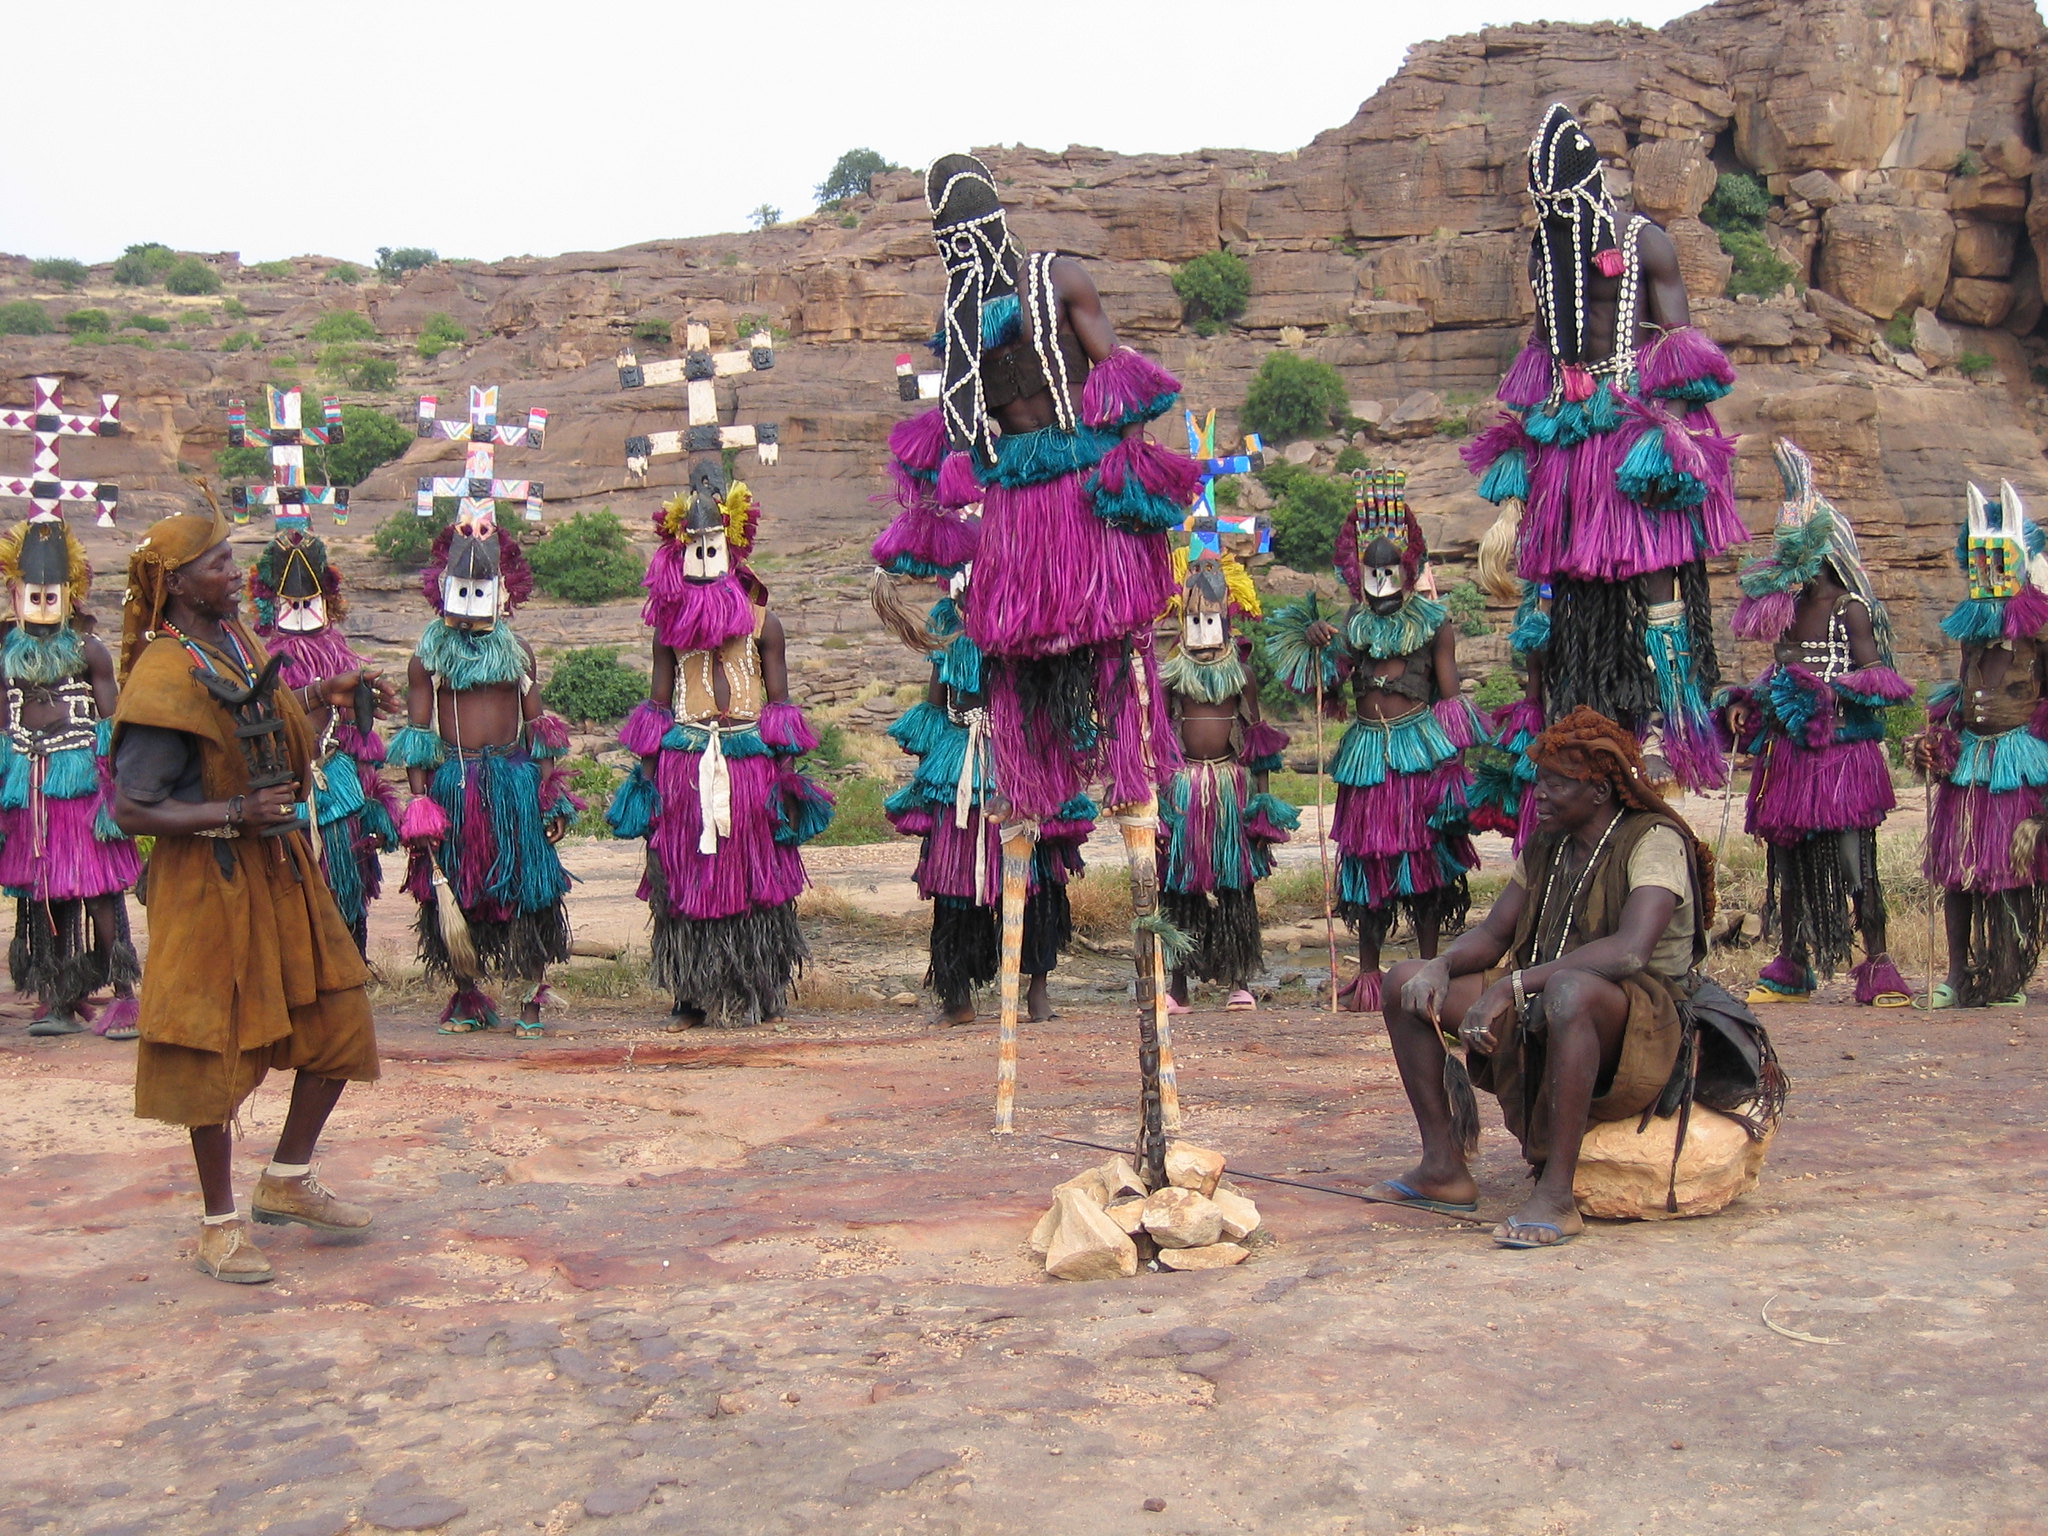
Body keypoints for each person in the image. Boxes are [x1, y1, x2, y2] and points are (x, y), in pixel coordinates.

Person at [111, 502, 386, 1284]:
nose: (238, 574)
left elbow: (257, 728)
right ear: (179, 585)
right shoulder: (163, 676)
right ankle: (219, 1226)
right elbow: (132, 806)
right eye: (220, 565)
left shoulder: (232, 641)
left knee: (338, 1014)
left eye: (233, 560)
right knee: (211, 1044)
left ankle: (287, 1179)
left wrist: (323, 695)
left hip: (280, 869)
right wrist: (233, 812)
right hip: (211, 884)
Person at [893, 152, 1201, 823]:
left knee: (1107, 642)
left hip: (1071, 496)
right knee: (1027, 651)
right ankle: (1036, 791)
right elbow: (963, 430)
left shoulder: (1047, 280)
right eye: (951, 239)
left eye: (965, 231)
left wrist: (1131, 480)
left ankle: (1124, 783)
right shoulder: (967, 316)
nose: (961, 248)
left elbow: (1116, 383)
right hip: (1023, 509)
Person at [1465, 102, 1746, 792]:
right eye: (1544, 205)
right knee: (1576, 584)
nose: (1552, 214)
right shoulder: (1548, 252)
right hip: (1567, 435)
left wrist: (1669, 436)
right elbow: (1540, 347)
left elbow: (1677, 344)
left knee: (1652, 573)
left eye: (1560, 201)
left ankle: (1667, 718)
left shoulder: (1647, 241)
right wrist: (1527, 454)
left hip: (1630, 425)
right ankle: (1585, 713)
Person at [1374, 707, 1717, 1248]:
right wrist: (1440, 965)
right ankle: (1444, 1168)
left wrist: (1512, 987)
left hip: (1641, 1017)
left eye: (1556, 785)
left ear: (1600, 791)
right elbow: (1493, 936)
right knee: (1405, 982)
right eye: (1541, 784)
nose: (1540, 796)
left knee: (1570, 990)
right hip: (1547, 991)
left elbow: (1630, 953)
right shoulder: (1548, 845)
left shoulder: (1653, 840)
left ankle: (1558, 1194)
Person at [609, 470, 832, 1027]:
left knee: (756, 875)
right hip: (686, 762)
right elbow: (658, 704)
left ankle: (758, 985)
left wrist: (786, 774)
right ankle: (689, 991)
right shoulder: (667, 628)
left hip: (748, 759)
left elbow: (779, 704)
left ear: (731, 548)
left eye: (713, 546)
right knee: (688, 873)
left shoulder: (763, 624)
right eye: (694, 548)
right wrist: (645, 779)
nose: (704, 558)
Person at [1266, 471, 1484, 1011]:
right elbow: (1328, 685)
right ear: (1357, 573)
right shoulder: (1350, 624)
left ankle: (1428, 969)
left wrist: (1455, 766)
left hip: (1418, 752)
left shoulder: (1434, 623)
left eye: (1390, 572)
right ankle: (1368, 975)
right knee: (1366, 862)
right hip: (1366, 755)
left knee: (1426, 861)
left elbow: (1450, 694)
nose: (1380, 582)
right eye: (1371, 573)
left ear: (1408, 569)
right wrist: (1315, 643)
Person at [1720, 440, 1914, 1006]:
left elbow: (1876, 674)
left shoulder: (1850, 607)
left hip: (1840, 755)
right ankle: (1793, 963)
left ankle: (1877, 964)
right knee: (1786, 858)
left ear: (1821, 550)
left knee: (1856, 859)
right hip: (1787, 755)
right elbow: (1778, 668)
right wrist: (1747, 703)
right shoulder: (1782, 604)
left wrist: (1825, 697)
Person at [875, 561, 1092, 1024]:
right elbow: (938, 701)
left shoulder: (1024, 613)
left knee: (1035, 879)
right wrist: (926, 779)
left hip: (1019, 756)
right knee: (956, 882)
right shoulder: (946, 621)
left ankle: (1036, 990)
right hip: (960, 760)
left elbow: (1046, 689)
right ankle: (958, 998)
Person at [389, 509, 577, 1038]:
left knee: (529, 892)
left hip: (514, 785)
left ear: (502, 591)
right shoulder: (428, 657)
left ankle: (530, 998)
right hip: (456, 784)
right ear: (444, 587)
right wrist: (421, 804)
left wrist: (548, 793)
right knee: (455, 893)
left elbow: (539, 726)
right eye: (462, 586)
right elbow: (420, 735)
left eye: (483, 587)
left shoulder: (518, 652)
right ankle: (468, 995)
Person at [1907, 481, 2048, 1008]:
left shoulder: (2039, 633)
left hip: (2018, 765)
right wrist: (1934, 739)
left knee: (2011, 872)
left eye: (1998, 565)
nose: (1986, 577)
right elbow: (1961, 694)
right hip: (1970, 765)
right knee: (1959, 873)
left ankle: (2007, 975)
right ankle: (1957, 974)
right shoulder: (1972, 633)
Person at [0, 514, 141, 1037]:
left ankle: (125, 994)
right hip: (26, 786)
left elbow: (113, 727)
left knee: (98, 889)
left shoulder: (89, 652)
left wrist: (117, 792)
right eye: (31, 596)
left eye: (50, 596)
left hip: (79, 783)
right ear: (15, 595)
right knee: (47, 892)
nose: (40, 607)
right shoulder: (4, 657)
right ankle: (62, 997)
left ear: (69, 593)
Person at [248, 515, 398, 952]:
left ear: (327, 601)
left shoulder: (341, 656)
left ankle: (350, 963)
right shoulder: (257, 658)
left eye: (308, 603)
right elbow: (260, 711)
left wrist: (376, 801)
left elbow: (360, 739)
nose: (298, 614)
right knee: (285, 889)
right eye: (289, 605)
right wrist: (318, 693)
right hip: (280, 789)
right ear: (270, 603)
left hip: (337, 780)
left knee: (346, 881)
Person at [1157, 549, 1296, 1012]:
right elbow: (1156, 739)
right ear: (1182, 624)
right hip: (1185, 789)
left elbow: (1256, 739)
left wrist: (1263, 806)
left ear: (1228, 623)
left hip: (1232, 790)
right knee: (1180, 887)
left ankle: (1238, 979)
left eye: (1210, 623)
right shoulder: (1171, 676)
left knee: (1236, 887)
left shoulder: (1243, 675)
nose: (1202, 634)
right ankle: (1177, 985)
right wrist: (1158, 801)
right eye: (1194, 623)